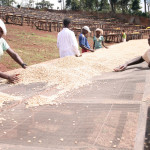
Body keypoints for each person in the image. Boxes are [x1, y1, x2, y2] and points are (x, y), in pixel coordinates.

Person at [0, 19, 27, 83]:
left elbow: (13, 54)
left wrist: (23, 64)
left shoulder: (1, 41)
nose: (0, 33)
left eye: (1, 31)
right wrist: (8, 77)